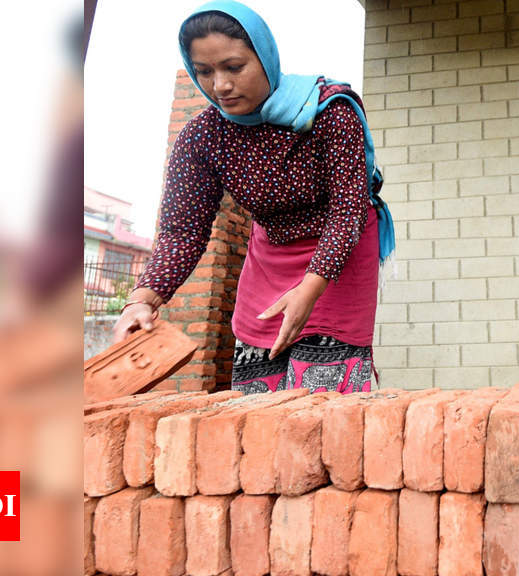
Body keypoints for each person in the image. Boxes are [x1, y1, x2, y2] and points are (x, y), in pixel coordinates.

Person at [112, 1, 394, 395]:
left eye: (233, 67)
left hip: (337, 257)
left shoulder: (329, 111)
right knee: (256, 397)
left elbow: (348, 209)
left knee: (322, 399)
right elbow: (183, 230)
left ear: (265, 57)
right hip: (270, 259)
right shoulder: (203, 136)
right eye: (204, 72)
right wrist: (141, 300)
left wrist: (311, 288)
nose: (220, 86)